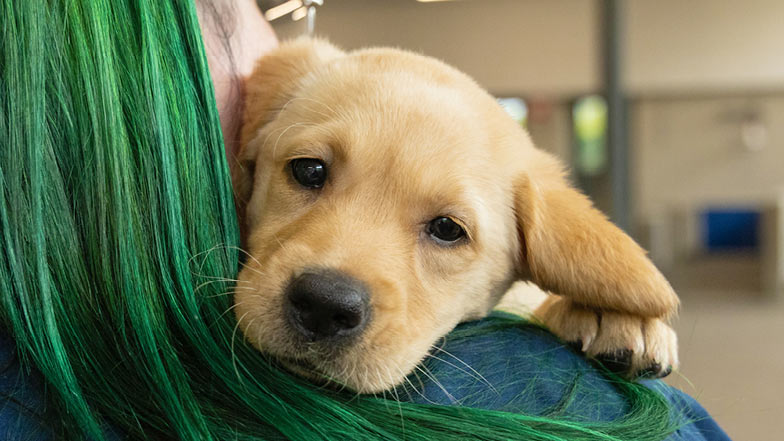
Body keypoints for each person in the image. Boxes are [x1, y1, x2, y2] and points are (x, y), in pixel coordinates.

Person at [0, 1, 731, 439]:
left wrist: (571, 310)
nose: (336, 278)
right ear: (250, 150)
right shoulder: (568, 408)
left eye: (446, 229)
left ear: (532, 260)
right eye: (310, 173)